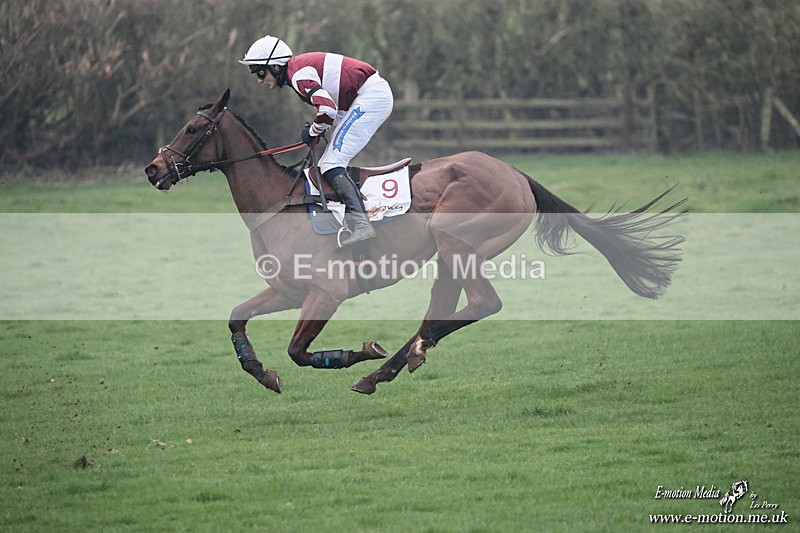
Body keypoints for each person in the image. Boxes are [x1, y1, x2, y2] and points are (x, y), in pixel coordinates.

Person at [239, 35, 394, 247]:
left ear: (275, 66)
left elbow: (328, 110)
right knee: (328, 162)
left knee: (331, 163)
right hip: (363, 97)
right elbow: (330, 110)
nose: (259, 80)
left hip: (370, 97)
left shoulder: (298, 76)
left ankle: (361, 224)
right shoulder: (296, 72)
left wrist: (313, 130)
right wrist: (317, 127)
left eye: (260, 72)